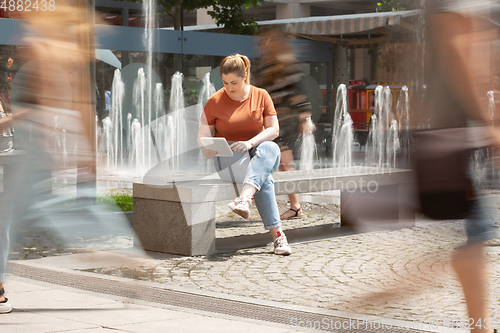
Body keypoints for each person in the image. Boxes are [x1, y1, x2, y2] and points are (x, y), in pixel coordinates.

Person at [424, 1, 500, 331]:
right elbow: (455, 49)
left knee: (476, 236)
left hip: (454, 135)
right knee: (474, 238)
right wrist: (488, 124)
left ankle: (480, 326)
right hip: (452, 136)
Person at [197, 54, 291, 255]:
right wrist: (206, 147)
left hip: (258, 153)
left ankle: (244, 199)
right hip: (227, 159)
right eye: (225, 82)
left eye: (234, 82)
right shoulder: (214, 101)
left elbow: (273, 130)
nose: (229, 88)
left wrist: (250, 142)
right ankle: (278, 237)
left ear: (245, 75)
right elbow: (203, 135)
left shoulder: (261, 95)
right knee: (264, 179)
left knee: (271, 148)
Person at [257, 31, 315, 220]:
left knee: (284, 163)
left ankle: (295, 207)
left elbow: (299, 92)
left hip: (283, 123)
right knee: (275, 162)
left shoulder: (285, 64)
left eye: (266, 42)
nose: (263, 46)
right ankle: (293, 206)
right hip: (270, 122)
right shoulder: (267, 66)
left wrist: (305, 117)